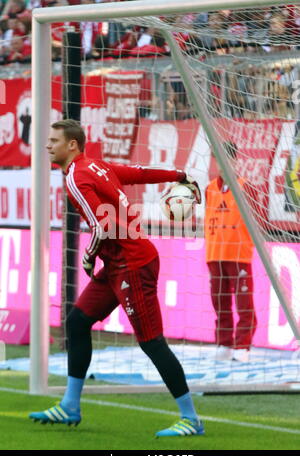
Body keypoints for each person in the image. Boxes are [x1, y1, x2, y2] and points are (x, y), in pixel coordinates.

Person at [29, 119, 204, 438]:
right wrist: (179, 175)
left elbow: (100, 227)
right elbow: (139, 173)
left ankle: (190, 418)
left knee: (151, 341)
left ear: (72, 145)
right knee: (78, 321)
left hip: (132, 264)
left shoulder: (76, 178)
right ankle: (70, 405)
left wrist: (87, 255)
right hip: (118, 263)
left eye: (54, 140)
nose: (47, 145)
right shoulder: (95, 166)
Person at [204, 141, 258, 362]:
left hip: (238, 253)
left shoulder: (246, 187)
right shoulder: (209, 189)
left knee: (244, 302)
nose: (223, 163)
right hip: (215, 253)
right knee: (220, 302)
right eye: (218, 158)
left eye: (227, 158)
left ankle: (243, 345)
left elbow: (256, 220)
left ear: (235, 160)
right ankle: (224, 343)